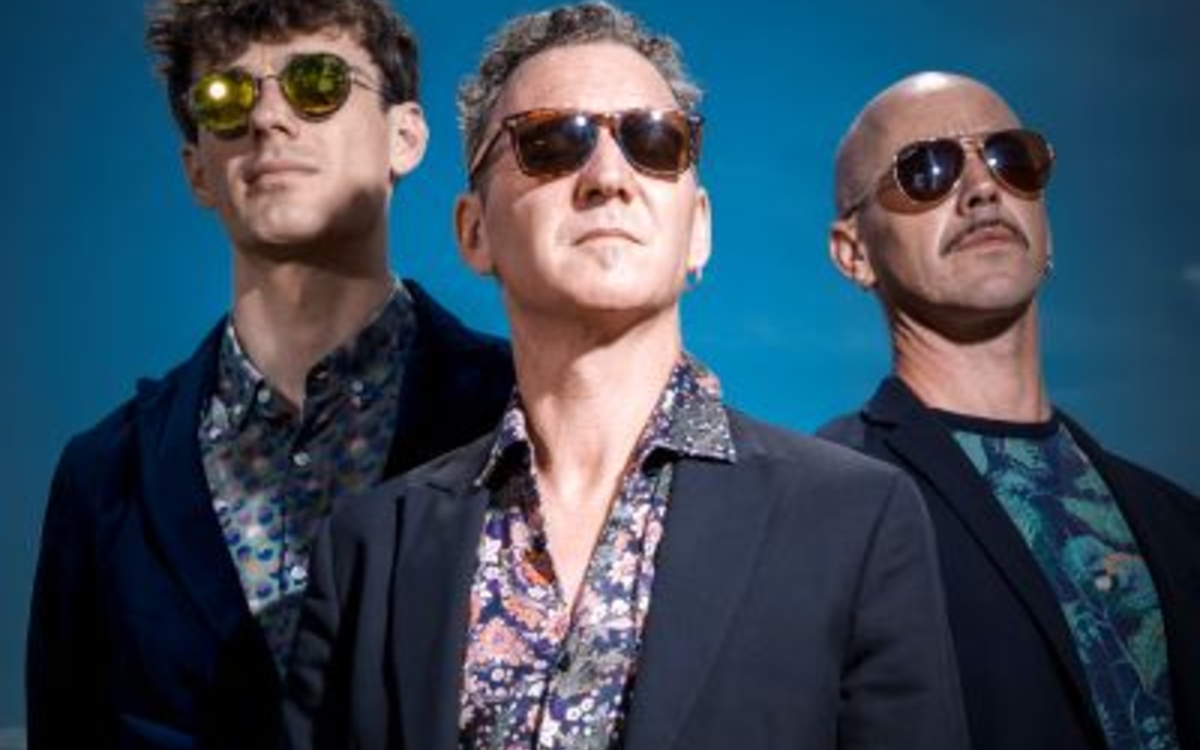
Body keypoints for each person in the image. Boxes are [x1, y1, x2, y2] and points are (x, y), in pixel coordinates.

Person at [284, 4, 968, 749]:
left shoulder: (857, 521)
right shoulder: (368, 554)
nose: (609, 176)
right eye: (551, 141)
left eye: (654, 142)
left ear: (697, 228)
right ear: (474, 231)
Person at [25, 0, 514, 747]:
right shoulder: (101, 480)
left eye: (317, 82)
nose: (267, 118)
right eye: (226, 97)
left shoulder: (524, 414)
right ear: (198, 170)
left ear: (405, 136)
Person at [819, 71, 1200, 750]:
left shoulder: (1180, 524)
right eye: (926, 169)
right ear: (855, 254)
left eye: (1011, 159)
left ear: (1046, 230)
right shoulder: (820, 510)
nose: (983, 188)